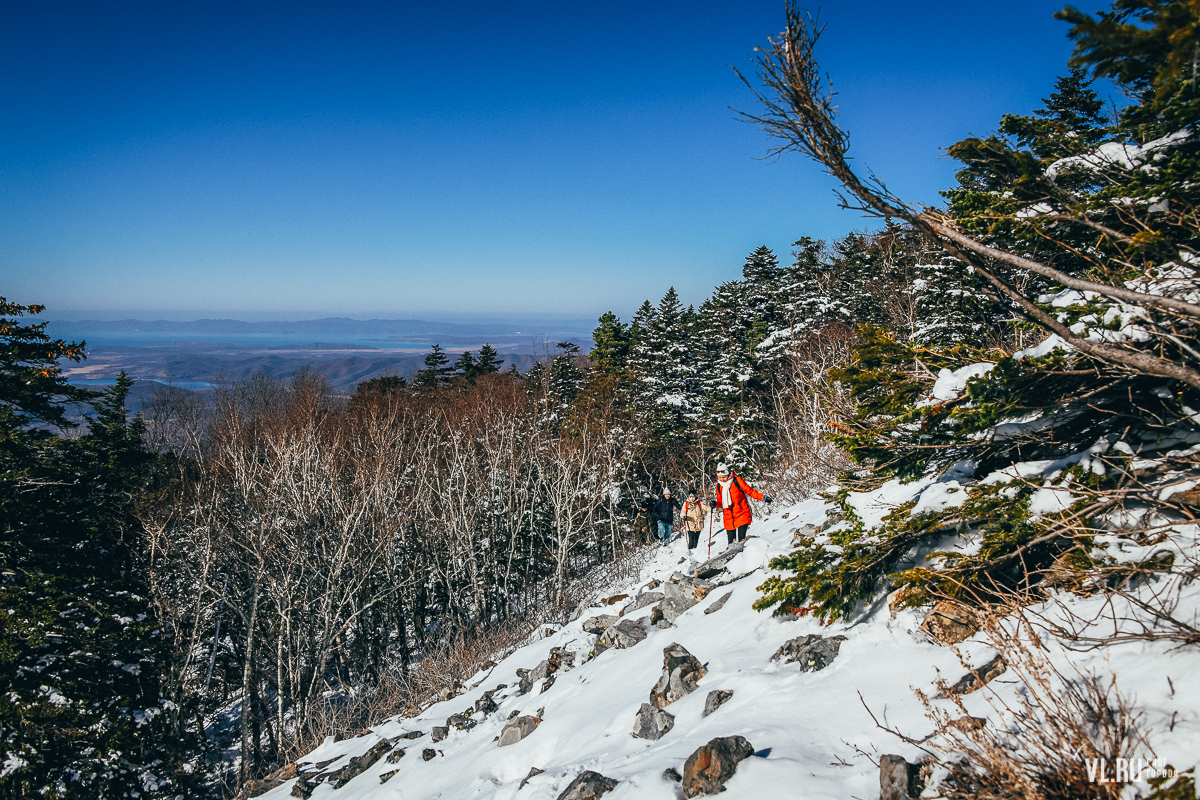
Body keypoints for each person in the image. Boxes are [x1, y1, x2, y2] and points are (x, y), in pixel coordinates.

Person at [713, 463, 772, 546]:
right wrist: (715, 504)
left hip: (742, 513)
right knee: (731, 544)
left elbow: (750, 491)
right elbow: (720, 502)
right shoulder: (719, 486)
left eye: (724, 477)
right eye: (719, 477)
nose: (722, 479)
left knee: (741, 540)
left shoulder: (737, 480)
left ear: (728, 474)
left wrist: (763, 497)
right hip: (728, 517)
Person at [681, 490, 707, 555]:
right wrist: (683, 515)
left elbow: (705, 507)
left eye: (693, 497)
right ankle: (690, 551)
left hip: (698, 523)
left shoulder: (698, 503)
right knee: (691, 538)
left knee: (696, 539)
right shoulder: (686, 504)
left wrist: (711, 508)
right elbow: (682, 512)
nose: (692, 498)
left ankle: (696, 552)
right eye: (690, 497)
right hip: (690, 524)